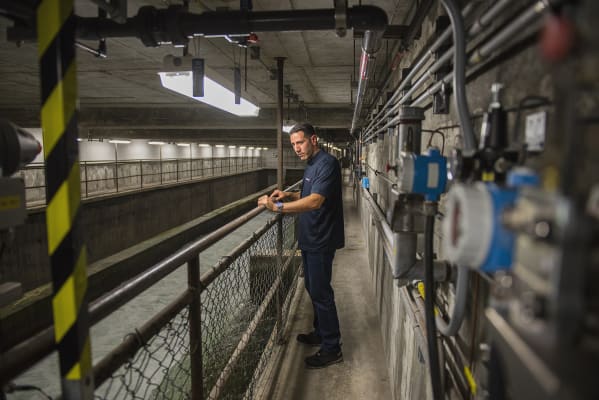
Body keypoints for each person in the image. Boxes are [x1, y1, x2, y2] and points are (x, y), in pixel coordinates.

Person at [257, 122, 345, 369]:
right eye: (293, 144)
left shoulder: (327, 164)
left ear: (313, 140)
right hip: (310, 238)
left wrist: (279, 208)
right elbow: (307, 194)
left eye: (300, 142)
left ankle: (332, 347)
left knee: (321, 292)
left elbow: (316, 201)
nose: (296, 148)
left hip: (321, 238)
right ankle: (321, 332)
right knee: (312, 287)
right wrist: (287, 195)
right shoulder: (312, 166)